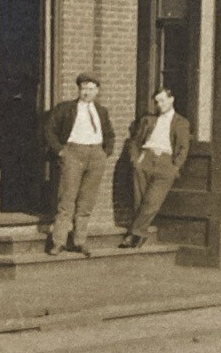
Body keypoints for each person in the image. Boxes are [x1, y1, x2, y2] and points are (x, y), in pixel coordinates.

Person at [42, 72, 115, 255]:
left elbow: (109, 134)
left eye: (91, 89)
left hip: (96, 155)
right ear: (79, 90)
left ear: (97, 91)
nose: (87, 93)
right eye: (84, 89)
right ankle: (58, 242)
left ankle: (79, 240)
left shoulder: (101, 111)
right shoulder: (66, 109)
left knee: (87, 201)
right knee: (67, 199)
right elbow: (49, 130)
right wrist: (61, 151)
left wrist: (105, 152)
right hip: (73, 153)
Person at [121, 86, 192, 248]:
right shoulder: (148, 120)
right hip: (145, 159)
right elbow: (134, 142)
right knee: (139, 199)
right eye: (157, 102)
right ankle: (138, 235)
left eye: (162, 100)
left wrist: (175, 168)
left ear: (171, 99)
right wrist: (135, 160)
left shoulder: (181, 122)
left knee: (152, 201)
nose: (159, 104)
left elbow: (183, 148)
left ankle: (134, 234)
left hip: (165, 163)